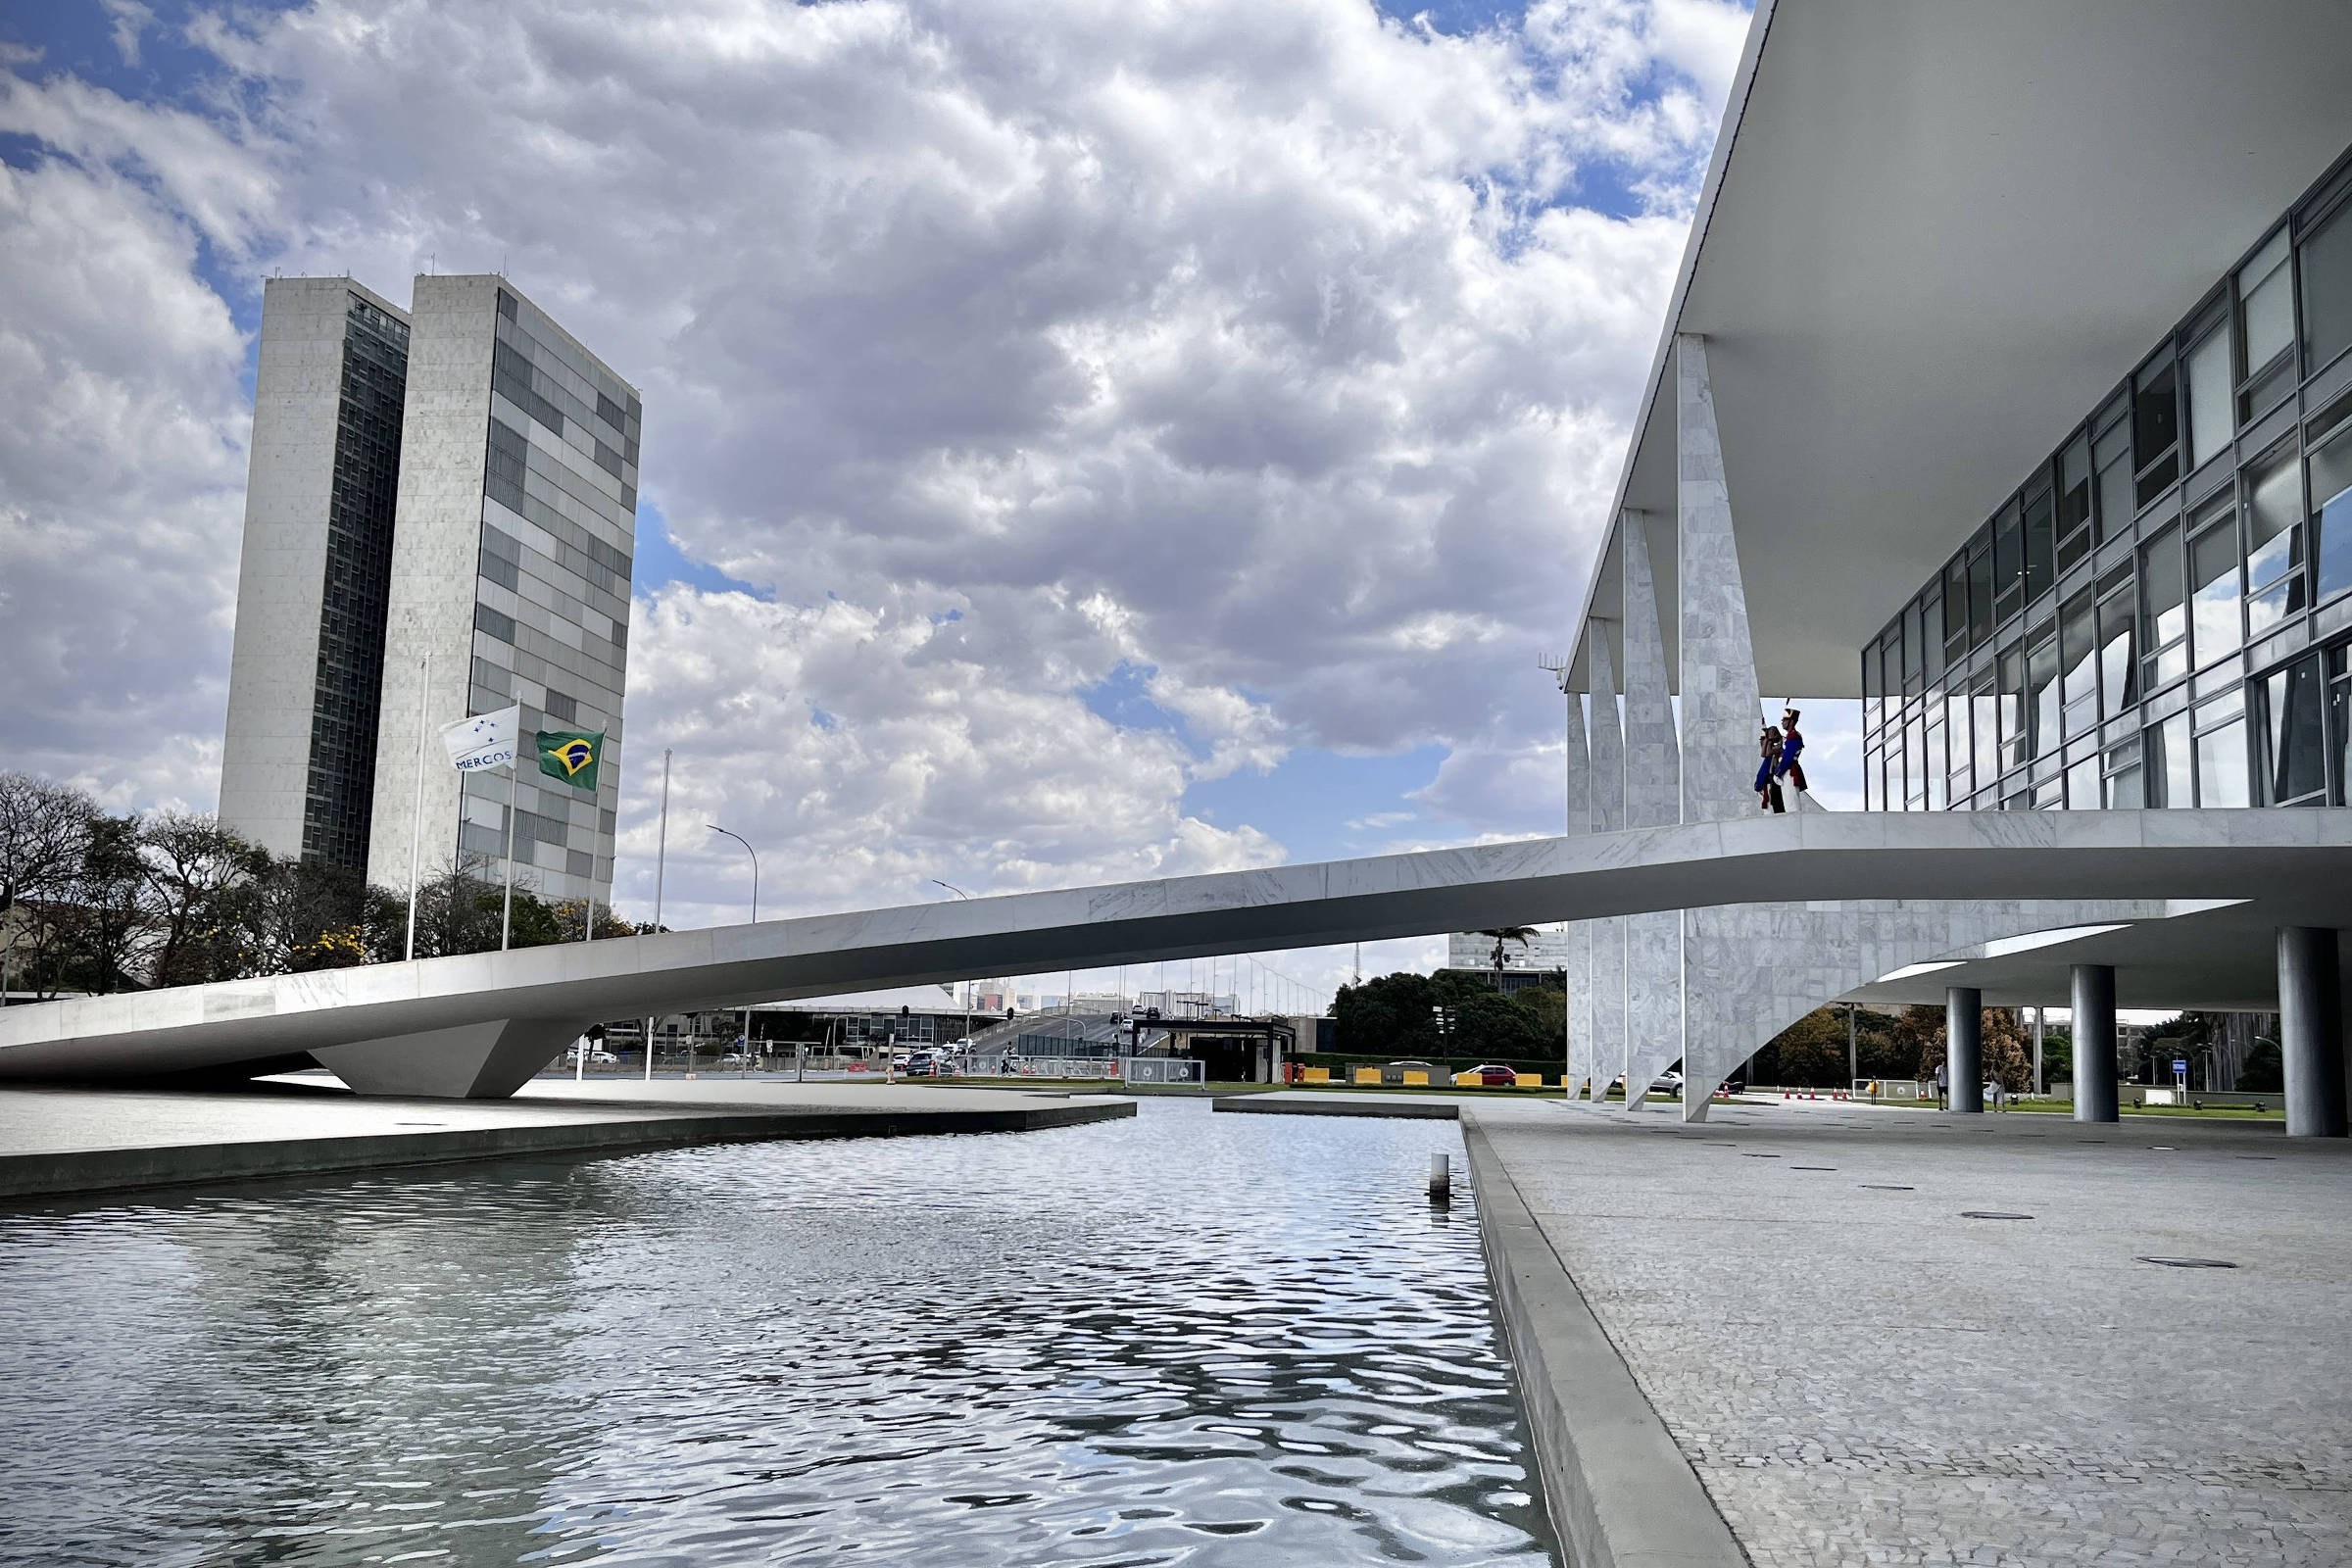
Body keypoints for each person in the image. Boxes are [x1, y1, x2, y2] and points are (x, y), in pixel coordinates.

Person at [1775, 708, 1809, 799]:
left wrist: (1778, 772)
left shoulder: (1793, 736)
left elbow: (1787, 758)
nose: (1782, 722)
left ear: (1792, 722)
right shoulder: (1789, 736)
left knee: (1791, 804)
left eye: (1785, 720)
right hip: (1787, 771)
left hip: (1789, 771)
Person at [1755, 724, 1787, 813]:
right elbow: (1764, 754)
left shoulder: (1780, 744)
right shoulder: (1769, 754)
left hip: (1775, 781)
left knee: (1778, 807)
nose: (1762, 743)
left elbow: (1767, 753)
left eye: (1764, 740)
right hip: (1768, 784)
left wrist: (1768, 740)